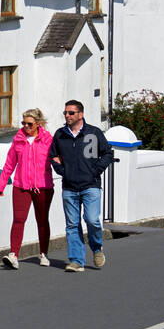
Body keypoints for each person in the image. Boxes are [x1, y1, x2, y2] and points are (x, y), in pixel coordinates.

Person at [48, 99, 114, 272]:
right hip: (69, 187)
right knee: (72, 224)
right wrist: (63, 171)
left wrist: (96, 170)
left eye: (71, 113)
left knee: (92, 220)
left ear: (80, 114)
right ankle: (77, 261)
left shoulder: (93, 133)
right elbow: (53, 156)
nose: (67, 116)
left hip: (90, 185)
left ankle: (97, 248)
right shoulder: (60, 134)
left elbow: (107, 153)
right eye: (65, 113)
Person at [0, 108, 54, 268]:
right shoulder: (18, 139)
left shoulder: (48, 140)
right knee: (18, 220)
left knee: (42, 221)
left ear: (38, 124)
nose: (26, 126)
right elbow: (9, 163)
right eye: (23, 123)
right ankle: (13, 255)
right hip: (21, 186)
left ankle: (44, 254)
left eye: (29, 124)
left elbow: (57, 159)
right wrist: (1, 184)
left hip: (43, 186)